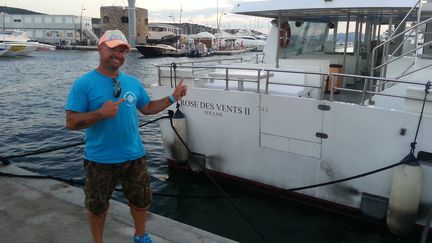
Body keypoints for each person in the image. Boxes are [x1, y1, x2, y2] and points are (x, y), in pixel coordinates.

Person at [65, 29, 187, 243]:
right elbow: (71, 122)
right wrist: (100, 113)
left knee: (141, 201)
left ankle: (140, 236)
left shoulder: (132, 82)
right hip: (99, 159)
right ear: (100, 49)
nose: (119, 55)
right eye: (114, 49)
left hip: (134, 156)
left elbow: (147, 107)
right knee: (97, 206)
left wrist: (172, 97)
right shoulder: (83, 84)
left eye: (123, 51)